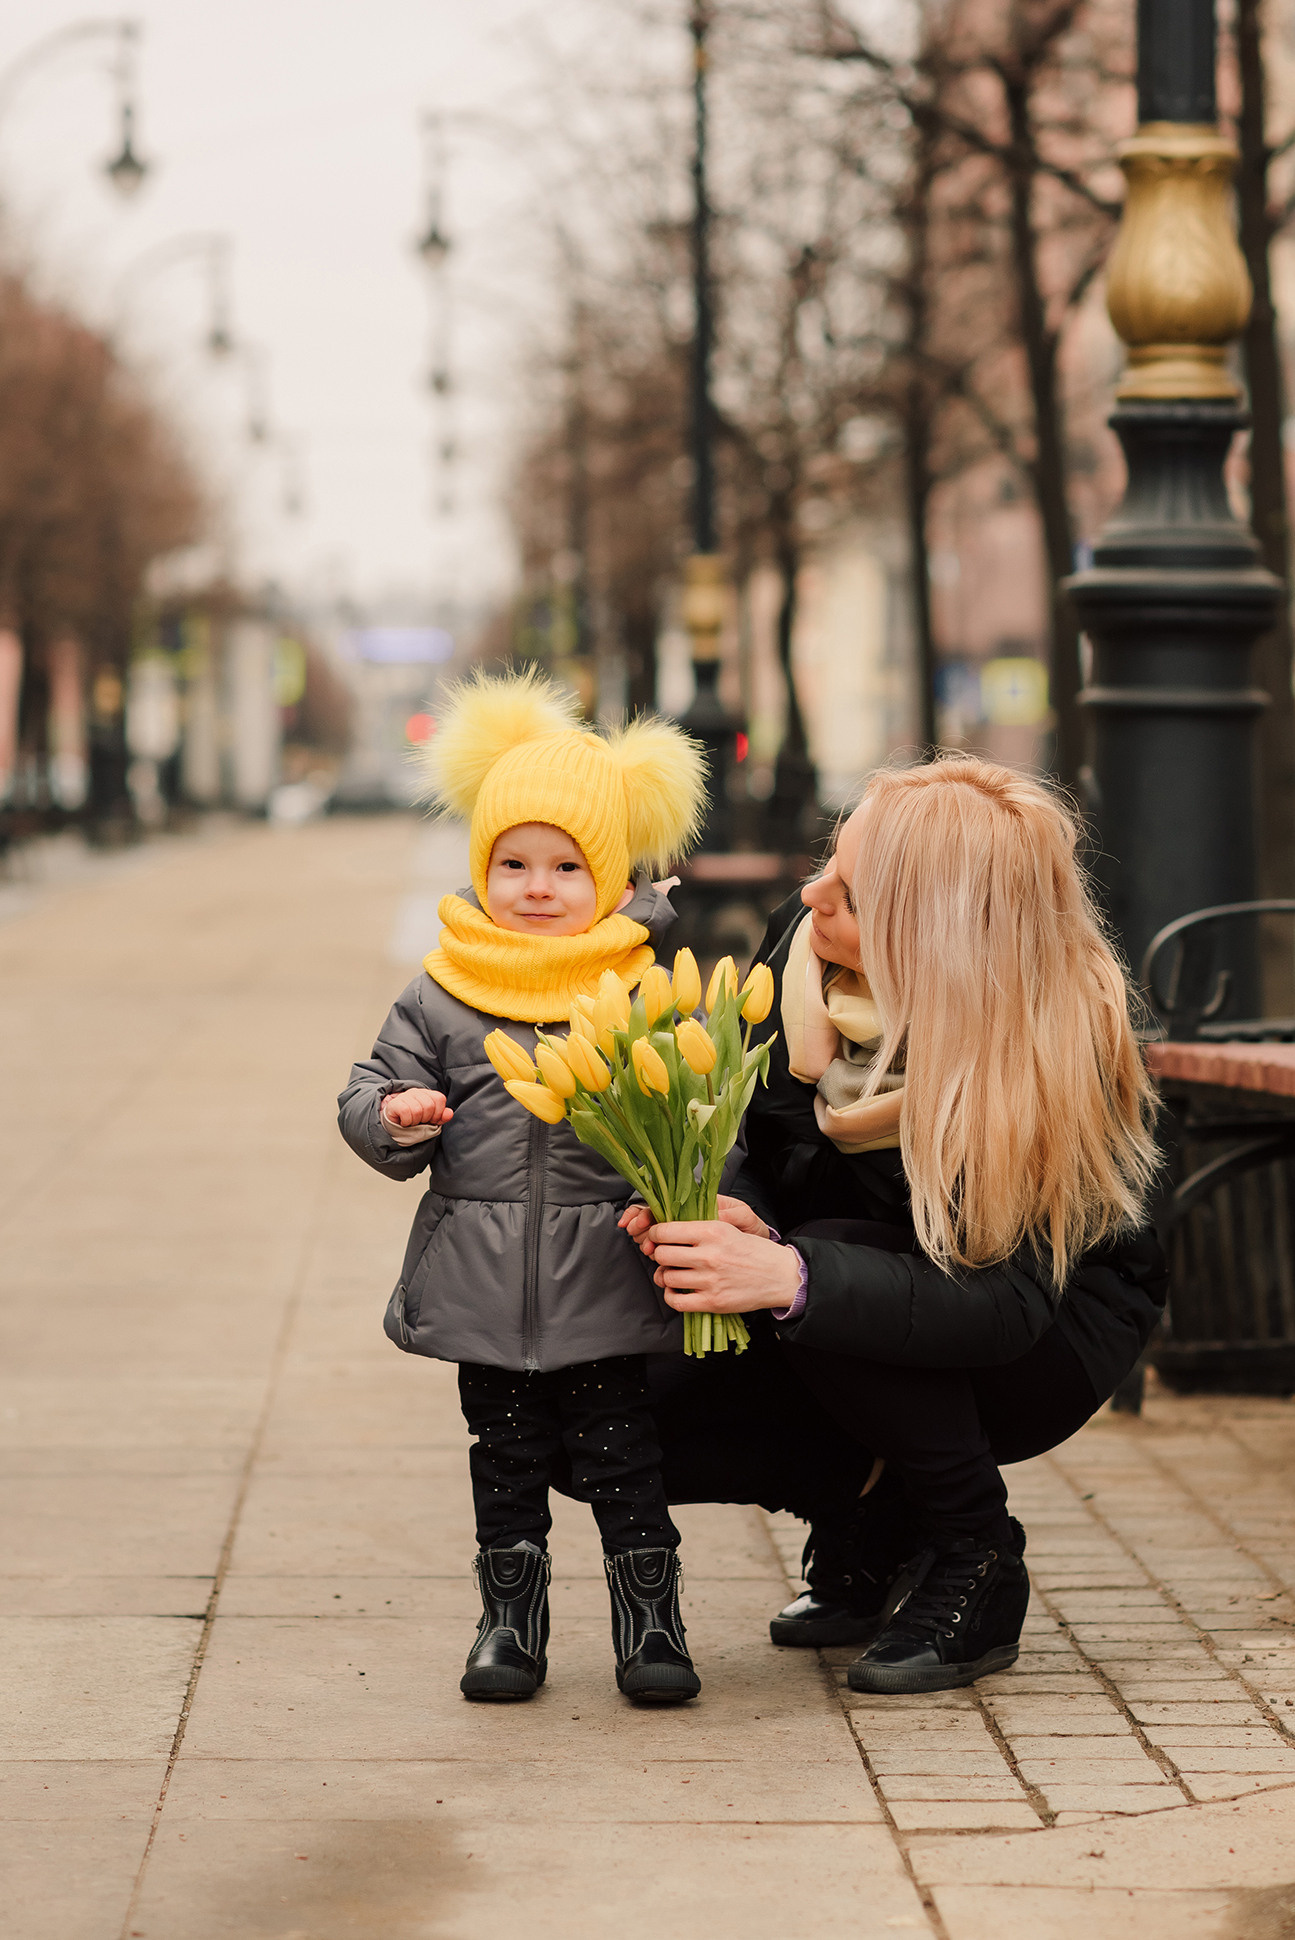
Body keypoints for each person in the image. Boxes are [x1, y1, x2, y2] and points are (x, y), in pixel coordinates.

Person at [622, 756, 1167, 1695]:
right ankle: (871, 1516)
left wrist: (792, 1276)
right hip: (849, 1281)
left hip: (1039, 1332)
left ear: (935, 934)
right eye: (828, 863)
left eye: (852, 895)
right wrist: (733, 1211)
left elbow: (1002, 1301)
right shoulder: (803, 953)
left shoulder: (1041, 1036)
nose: (811, 895)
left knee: (835, 1267)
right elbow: (757, 1131)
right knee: (605, 1404)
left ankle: (974, 1554)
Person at [338, 669, 708, 1705]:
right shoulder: (445, 991)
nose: (536, 887)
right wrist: (394, 1114)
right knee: (503, 1458)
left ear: (611, 878)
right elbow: (369, 1085)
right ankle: (509, 1621)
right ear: (480, 867)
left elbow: (700, 1113)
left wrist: (690, 1195)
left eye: (564, 866)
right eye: (512, 863)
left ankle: (650, 1622)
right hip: (483, 1281)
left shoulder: (640, 988)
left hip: (605, 1277)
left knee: (622, 1458)